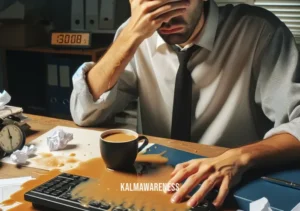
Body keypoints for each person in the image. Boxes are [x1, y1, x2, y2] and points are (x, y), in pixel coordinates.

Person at [70, 0, 300, 208]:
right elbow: (85, 112)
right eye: (155, 5)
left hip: (235, 187)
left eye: (178, 2)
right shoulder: (136, 33)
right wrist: (129, 37)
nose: (167, 19)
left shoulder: (261, 31)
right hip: (155, 183)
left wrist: (238, 158)